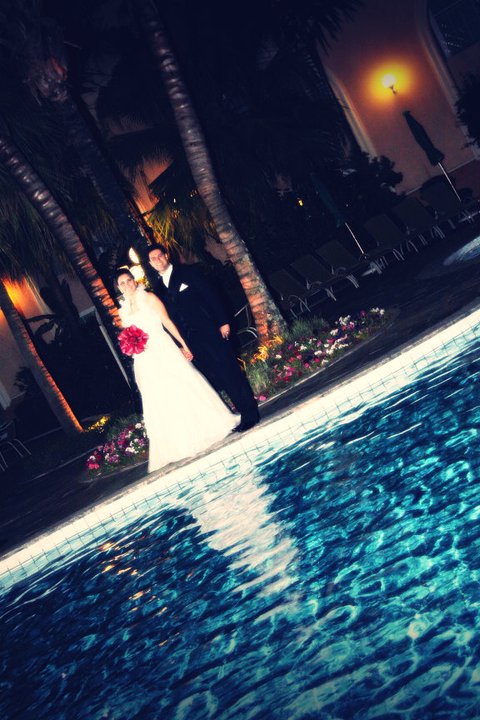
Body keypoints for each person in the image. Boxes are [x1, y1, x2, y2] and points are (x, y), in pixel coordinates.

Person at [115, 270, 238, 472]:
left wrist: (183, 344)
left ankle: (205, 429)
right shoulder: (123, 311)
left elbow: (167, 322)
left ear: (134, 281)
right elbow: (128, 336)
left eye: (129, 280)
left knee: (182, 386)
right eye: (122, 283)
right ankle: (177, 444)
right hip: (145, 358)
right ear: (119, 288)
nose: (127, 285)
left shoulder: (149, 298)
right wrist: (132, 349)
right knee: (159, 399)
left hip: (163, 348)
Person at [148, 243, 260, 432]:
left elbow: (211, 296)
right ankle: (242, 413)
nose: (157, 260)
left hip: (211, 330)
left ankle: (251, 414)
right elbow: (167, 320)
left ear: (166, 255)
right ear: (151, 264)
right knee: (219, 377)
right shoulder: (157, 289)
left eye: (159, 256)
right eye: (153, 259)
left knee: (230, 371)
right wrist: (181, 345)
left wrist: (223, 321)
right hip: (191, 340)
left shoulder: (188, 272)